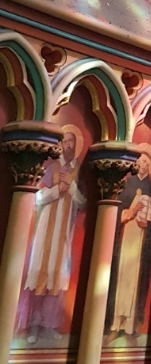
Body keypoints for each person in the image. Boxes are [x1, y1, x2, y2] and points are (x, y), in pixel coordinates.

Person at [16, 125, 86, 344]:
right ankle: (33, 325)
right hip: (45, 230)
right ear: (60, 144)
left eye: (72, 142)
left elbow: (84, 202)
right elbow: (37, 196)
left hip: (64, 235)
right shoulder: (51, 166)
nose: (68, 145)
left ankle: (50, 325)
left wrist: (72, 187)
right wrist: (57, 191)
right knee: (39, 273)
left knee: (57, 277)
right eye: (65, 141)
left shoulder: (80, 171)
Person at [106, 143, 151, 344]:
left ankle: (129, 327)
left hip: (141, 243)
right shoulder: (127, 184)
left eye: (147, 162)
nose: (143, 165)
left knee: (136, 283)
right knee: (120, 282)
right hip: (126, 238)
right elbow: (117, 213)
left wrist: (149, 223)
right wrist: (130, 214)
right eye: (141, 161)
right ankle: (114, 325)